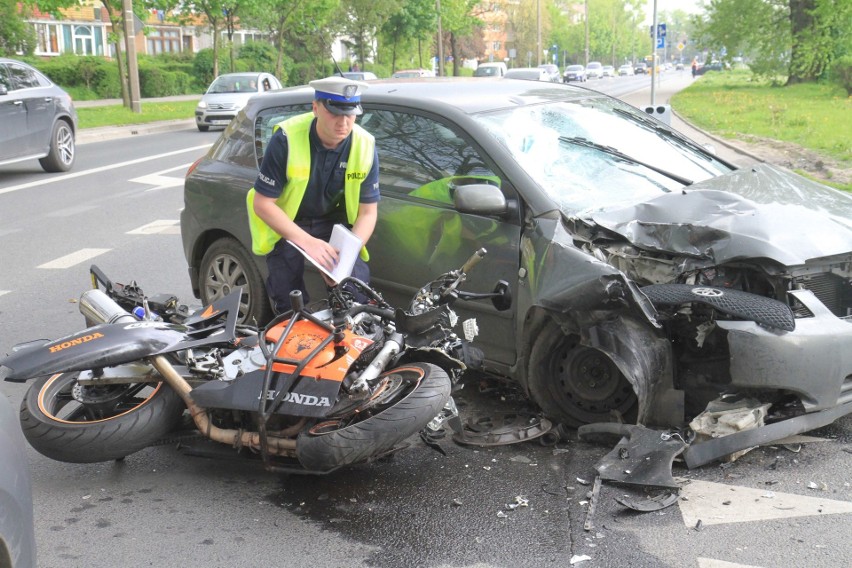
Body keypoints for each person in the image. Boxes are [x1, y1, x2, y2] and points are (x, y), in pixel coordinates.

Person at [247, 76, 380, 312]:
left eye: (350, 114)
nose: (344, 123)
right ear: (316, 107)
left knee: (355, 291)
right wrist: (308, 243)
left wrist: (345, 258)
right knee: (288, 298)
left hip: (334, 224)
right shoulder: (286, 139)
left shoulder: (365, 145)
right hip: (289, 223)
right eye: (335, 113)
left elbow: (368, 212)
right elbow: (262, 203)